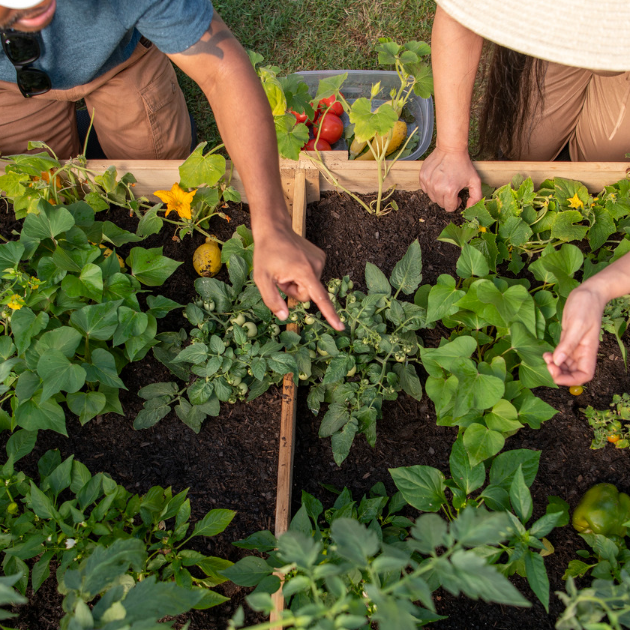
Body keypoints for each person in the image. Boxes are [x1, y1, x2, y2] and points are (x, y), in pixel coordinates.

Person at [0, 0, 344, 332]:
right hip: (10, 84)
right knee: (39, 201)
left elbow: (222, 71)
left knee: (161, 172)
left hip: (120, 58)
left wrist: (272, 224)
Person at [419, 0, 630, 386]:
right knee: (525, 150)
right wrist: (450, 147)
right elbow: (459, 12)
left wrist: (600, 289)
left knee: (598, 157)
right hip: (562, 24)